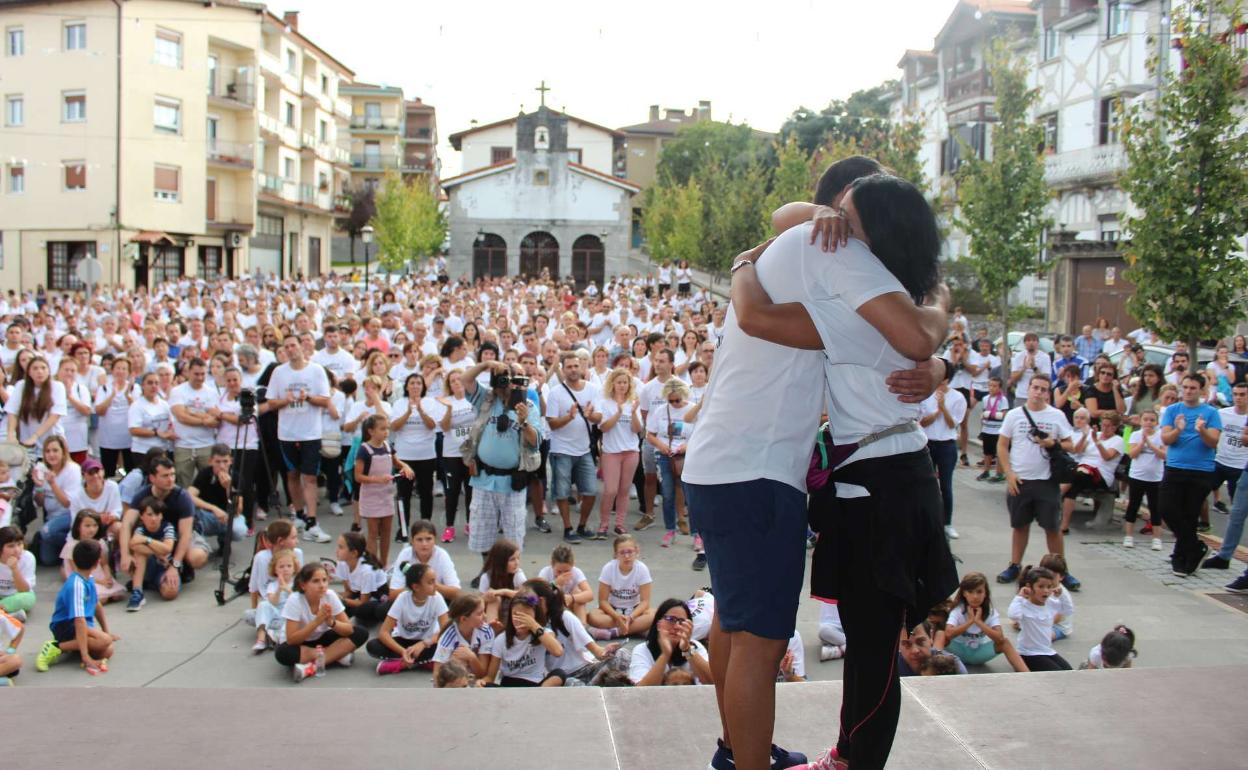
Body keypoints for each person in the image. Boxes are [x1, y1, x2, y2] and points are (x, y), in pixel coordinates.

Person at [704, 165, 952, 770]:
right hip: (822, 474)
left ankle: (811, 757)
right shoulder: (847, 272)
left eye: (849, 217)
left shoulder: (861, 297)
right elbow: (919, 334)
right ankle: (786, 756)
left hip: (870, 477)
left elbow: (917, 339)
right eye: (836, 212)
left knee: (853, 641)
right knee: (773, 637)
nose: (835, 226)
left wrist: (744, 265)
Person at [995, 376, 1079, 588]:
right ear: (1028, 388)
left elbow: (1071, 444)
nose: (1038, 392)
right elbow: (1002, 445)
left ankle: (1061, 571)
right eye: (1035, 388)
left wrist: (1052, 443)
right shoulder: (1014, 415)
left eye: (1043, 389)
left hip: (1047, 480)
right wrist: (1008, 473)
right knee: (1019, 525)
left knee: (1053, 527)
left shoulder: (1056, 415)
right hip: (1020, 479)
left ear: (1048, 393)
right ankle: (1015, 565)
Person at [458, 360, 541, 555]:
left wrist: (524, 422)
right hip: (483, 479)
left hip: (512, 482)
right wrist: (486, 364)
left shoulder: (528, 407)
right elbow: (465, 379)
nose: (508, 386)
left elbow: (535, 441)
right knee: (482, 535)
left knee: (513, 538)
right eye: (504, 380)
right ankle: (487, 569)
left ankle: (509, 571)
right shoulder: (487, 399)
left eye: (514, 381)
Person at [267, 335, 333, 544]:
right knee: (292, 474)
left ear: (301, 346)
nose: (290, 349)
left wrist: (309, 397)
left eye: (293, 345)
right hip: (287, 433)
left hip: (310, 433)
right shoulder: (279, 372)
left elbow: (325, 399)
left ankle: (312, 522)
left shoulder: (316, 370)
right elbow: (271, 402)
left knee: (310, 477)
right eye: (286, 346)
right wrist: (285, 400)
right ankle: (299, 514)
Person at [119, 455, 210, 602]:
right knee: (128, 543)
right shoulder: (142, 495)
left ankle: (181, 567)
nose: (171, 479)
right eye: (165, 476)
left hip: (178, 537)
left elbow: (185, 534)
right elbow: (126, 524)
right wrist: (125, 555)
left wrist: (175, 565)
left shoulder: (182, 497)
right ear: (152, 478)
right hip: (152, 539)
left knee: (197, 557)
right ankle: (149, 579)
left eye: (173, 475)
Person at [1161, 374, 1221, 576]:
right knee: (1167, 509)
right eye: (1185, 387)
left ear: (1201, 391)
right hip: (1175, 467)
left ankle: (1182, 559)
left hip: (1201, 470)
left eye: (1193, 388)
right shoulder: (1172, 410)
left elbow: (1213, 442)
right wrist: (1178, 429)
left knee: (1189, 515)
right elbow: (1166, 439)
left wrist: (1202, 430)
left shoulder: (1211, 413)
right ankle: (1195, 547)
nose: (1188, 391)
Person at [274, 562, 369, 682]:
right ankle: (336, 655)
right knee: (282, 653)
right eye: (316, 581)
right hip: (302, 643)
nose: (322, 585)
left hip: (321, 638)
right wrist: (316, 622)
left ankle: (311, 667)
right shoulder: (295, 600)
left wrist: (331, 622)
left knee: (360, 632)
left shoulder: (330, 595)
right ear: (303, 585)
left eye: (324, 580)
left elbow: (349, 629)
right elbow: (292, 639)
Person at [35, 539, 117, 675]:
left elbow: (96, 604)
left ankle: (74, 646)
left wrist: (106, 631)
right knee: (104, 641)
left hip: (81, 625)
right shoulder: (76, 585)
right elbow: (79, 620)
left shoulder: (89, 578)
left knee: (108, 651)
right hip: (67, 626)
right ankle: (56, 646)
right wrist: (86, 656)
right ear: (97, 563)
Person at [646, 378, 701, 548]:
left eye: (678, 400)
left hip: (688, 457)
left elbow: (701, 434)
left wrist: (687, 446)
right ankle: (670, 530)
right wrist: (661, 446)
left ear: (684, 395)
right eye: (671, 401)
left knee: (691, 496)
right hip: (665, 456)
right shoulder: (661, 411)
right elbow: (650, 434)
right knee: (667, 494)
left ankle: (697, 534)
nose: (675, 403)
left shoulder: (693, 409)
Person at [935, 572, 1028, 672]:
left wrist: (979, 622)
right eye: (970, 592)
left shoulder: (991, 612)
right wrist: (970, 622)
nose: (975, 596)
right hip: (958, 652)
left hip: (978, 653)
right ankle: (934, 668)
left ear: (985, 593)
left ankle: (1027, 674)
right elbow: (948, 633)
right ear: (964, 593)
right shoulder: (958, 610)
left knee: (1005, 642)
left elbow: (999, 638)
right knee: (940, 634)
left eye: (979, 592)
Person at [368, 563, 450, 675]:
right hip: (403, 641)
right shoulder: (403, 598)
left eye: (435, 581)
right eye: (431, 582)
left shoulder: (437, 598)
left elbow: (445, 630)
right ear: (416, 587)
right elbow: (384, 633)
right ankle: (424, 662)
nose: (436, 585)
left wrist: (423, 644)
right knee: (373, 646)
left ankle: (400, 664)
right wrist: (403, 652)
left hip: (428, 643)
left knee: (449, 647)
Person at [354, 414, 415, 566]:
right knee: (373, 533)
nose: (386, 432)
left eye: (387, 428)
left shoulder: (387, 447)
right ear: (371, 431)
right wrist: (377, 479)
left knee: (386, 532)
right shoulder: (364, 450)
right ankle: (373, 565)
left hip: (386, 494)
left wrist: (405, 466)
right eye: (382, 429)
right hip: (371, 496)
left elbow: (397, 462)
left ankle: (384, 564)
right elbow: (358, 476)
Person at [483, 583, 566, 687]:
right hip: (510, 684)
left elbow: (558, 651)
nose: (520, 620)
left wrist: (534, 625)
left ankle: (536, 695)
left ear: (535, 616)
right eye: (516, 615)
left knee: (559, 674)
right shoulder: (501, 639)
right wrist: (481, 682)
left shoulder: (543, 633)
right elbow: (490, 677)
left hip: (536, 683)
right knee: (486, 686)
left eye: (526, 615)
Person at [594, 367, 643, 538]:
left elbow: (637, 429)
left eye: (625, 382)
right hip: (611, 452)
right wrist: (618, 413)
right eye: (619, 382)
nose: (622, 385)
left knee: (624, 490)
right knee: (610, 490)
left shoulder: (633, 403)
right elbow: (604, 428)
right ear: (612, 384)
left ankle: (620, 524)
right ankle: (603, 525)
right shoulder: (605, 403)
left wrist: (634, 412)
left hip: (631, 452)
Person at [391, 373, 440, 539]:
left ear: (423, 386)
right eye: (412, 383)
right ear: (406, 386)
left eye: (419, 383)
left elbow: (432, 425)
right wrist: (407, 413)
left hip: (426, 455)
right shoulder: (399, 403)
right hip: (404, 457)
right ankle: (403, 529)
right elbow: (394, 427)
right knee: (403, 494)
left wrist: (420, 410)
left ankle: (426, 528)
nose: (415, 386)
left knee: (426, 493)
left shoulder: (430, 402)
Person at [1060, 412, 1124, 533]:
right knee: (1073, 485)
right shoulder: (1094, 434)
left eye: (1108, 426)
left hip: (1101, 475)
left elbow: (1107, 457)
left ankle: (1057, 499)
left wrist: (1097, 442)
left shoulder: (1118, 440)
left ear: (1115, 427)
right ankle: (1064, 525)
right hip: (1081, 471)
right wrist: (1085, 436)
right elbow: (1076, 451)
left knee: (1075, 477)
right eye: (1103, 425)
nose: (1105, 428)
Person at [920, 377, 966, 540]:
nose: (940, 382)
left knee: (946, 486)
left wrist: (943, 407)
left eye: (943, 379)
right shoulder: (926, 395)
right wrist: (937, 412)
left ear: (947, 379)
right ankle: (927, 522)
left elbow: (953, 424)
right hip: (927, 444)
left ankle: (947, 523)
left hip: (947, 446)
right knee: (927, 486)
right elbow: (922, 423)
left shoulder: (958, 397)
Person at [629, 597, 713, 685]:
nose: (676, 626)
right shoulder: (642, 650)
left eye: (682, 621)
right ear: (658, 623)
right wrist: (665, 655)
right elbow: (641, 690)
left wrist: (687, 649)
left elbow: (713, 683)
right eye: (671, 619)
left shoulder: (695, 647)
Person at [586, 534, 655, 640]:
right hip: (613, 611)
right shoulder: (608, 568)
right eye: (622, 552)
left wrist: (631, 617)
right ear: (615, 554)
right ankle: (637, 629)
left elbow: (645, 602)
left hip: (635, 610)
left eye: (630, 552)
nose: (626, 556)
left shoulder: (642, 569)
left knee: (654, 614)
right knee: (592, 616)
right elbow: (603, 601)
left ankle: (614, 633)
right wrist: (617, 616)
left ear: (636, 551)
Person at [1007, 565, 1071, 671]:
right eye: (1041, 587)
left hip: (1047, 650)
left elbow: (1068, 610)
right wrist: (1019, 597)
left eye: (1049, 587)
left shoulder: (1050, 603)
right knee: (1057, 673)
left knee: (1069, 671)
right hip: (1028, 654)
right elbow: (1013, 615)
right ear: (1029, 587)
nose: (1046, 590)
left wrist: (1062, 595)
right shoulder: (1024, 604)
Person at [168, 358, 220, 488]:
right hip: (184, 445)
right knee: (183, 484)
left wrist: (190, 412)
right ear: (189, 372)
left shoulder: (212, 392)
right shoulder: (177, 391)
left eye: (203, 374)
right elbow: (181, 416)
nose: (200, 378)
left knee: (209, 484)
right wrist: (204, 419)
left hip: (206, 444)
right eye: (196, 374)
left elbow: (216, 419)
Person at [33, 434, 83, 565]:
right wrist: (39, 487)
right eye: (47, 451)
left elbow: (67, 503)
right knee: (47, 560)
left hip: (69, 515)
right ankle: (65, 551)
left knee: (47, 532)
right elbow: (39, 503)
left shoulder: (73, 469)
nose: (51, 455)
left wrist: (52, 484)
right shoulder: (42, 469)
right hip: (51, 517)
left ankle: (77, 547)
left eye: (55, 450)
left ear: (63, 452)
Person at [387, 520, 461, 603]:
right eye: (419, 539)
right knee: (384, 608)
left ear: (435, 540)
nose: (424, 544)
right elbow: (392, 594)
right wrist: (417, 586)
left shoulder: (442, 555)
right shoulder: (405, 554)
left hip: (436, 600)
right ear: (412, 541)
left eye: (428, 539)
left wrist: (430, 584)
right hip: (410, 601)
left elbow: (456, 593)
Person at [1124, 409, 1167, 551]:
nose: (1149, 423)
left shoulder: (1161, 436)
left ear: (1157, 422)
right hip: (1137, 476)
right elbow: (1132, 454)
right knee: (1133, 505)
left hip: (1155, 478)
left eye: (1152, 420)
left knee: (1155, 507)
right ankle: (1129, 536)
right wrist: (1142, 443)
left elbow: (1164, 455)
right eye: (1146, 419)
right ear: (1141, 421)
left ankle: (1157, 538)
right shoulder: (1135, 435)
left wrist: (1151, 444)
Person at [432, 592, 495, 684]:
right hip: (453, 683)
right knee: (458, 658)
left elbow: (483, 674)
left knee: (464, 657)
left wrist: (472, 658)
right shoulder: (448, 638)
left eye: (484, 611)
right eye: (480, 614)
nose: (485, 616)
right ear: (464, 619)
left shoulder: (486, 631)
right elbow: (437, 675)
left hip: (476, 683)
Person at [252, 548, 299, 653]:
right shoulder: (272, 585)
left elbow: (300, 601)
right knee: (263, 605)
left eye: (289, 566)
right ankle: (261, 639)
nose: (285, 569)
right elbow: (273, 602)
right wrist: (279, 589)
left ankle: (274, 636)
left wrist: (288, 589)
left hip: (291, 616)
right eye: (281, 567)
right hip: (277, 614)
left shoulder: (297, 584)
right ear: (275, 570)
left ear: (294, 568)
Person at [537, 544, 594, 624]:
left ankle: (581, 626)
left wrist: (572, 598)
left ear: (572, 565)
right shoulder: (545, 572)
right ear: (552, 564)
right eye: (559, 571)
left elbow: (590, 594)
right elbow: (539, 593)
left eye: (567, 571)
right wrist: (555, 584)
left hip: (569, 604)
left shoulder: (576, 572)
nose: (562, 575)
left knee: (578, 593)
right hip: (551, 605)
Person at [978, 376, 1009, 482]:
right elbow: (983, 414)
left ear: (999, 388)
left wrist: (991, 415)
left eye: (995, 386)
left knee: (999, 452)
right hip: (987, 429)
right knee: (987, 452)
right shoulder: (985, 399)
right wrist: (982, 427)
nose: (991, 388)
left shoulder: (1003, 399)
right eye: (990, 385)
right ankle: (986, 471)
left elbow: (1004, 414)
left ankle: (999, 473)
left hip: (998, 431)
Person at [1009, 333, 1053, 405]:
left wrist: (1034, 367)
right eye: (1028, 340)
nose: (1031, 343)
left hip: (1039, 396)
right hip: (1021, 396)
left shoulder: (1045, 357)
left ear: (1037, 343)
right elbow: (1013, 379)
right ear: (1024, 343)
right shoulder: (1018, 356)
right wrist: (1024, 368)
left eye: (1034, 340)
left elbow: (1046, 379)